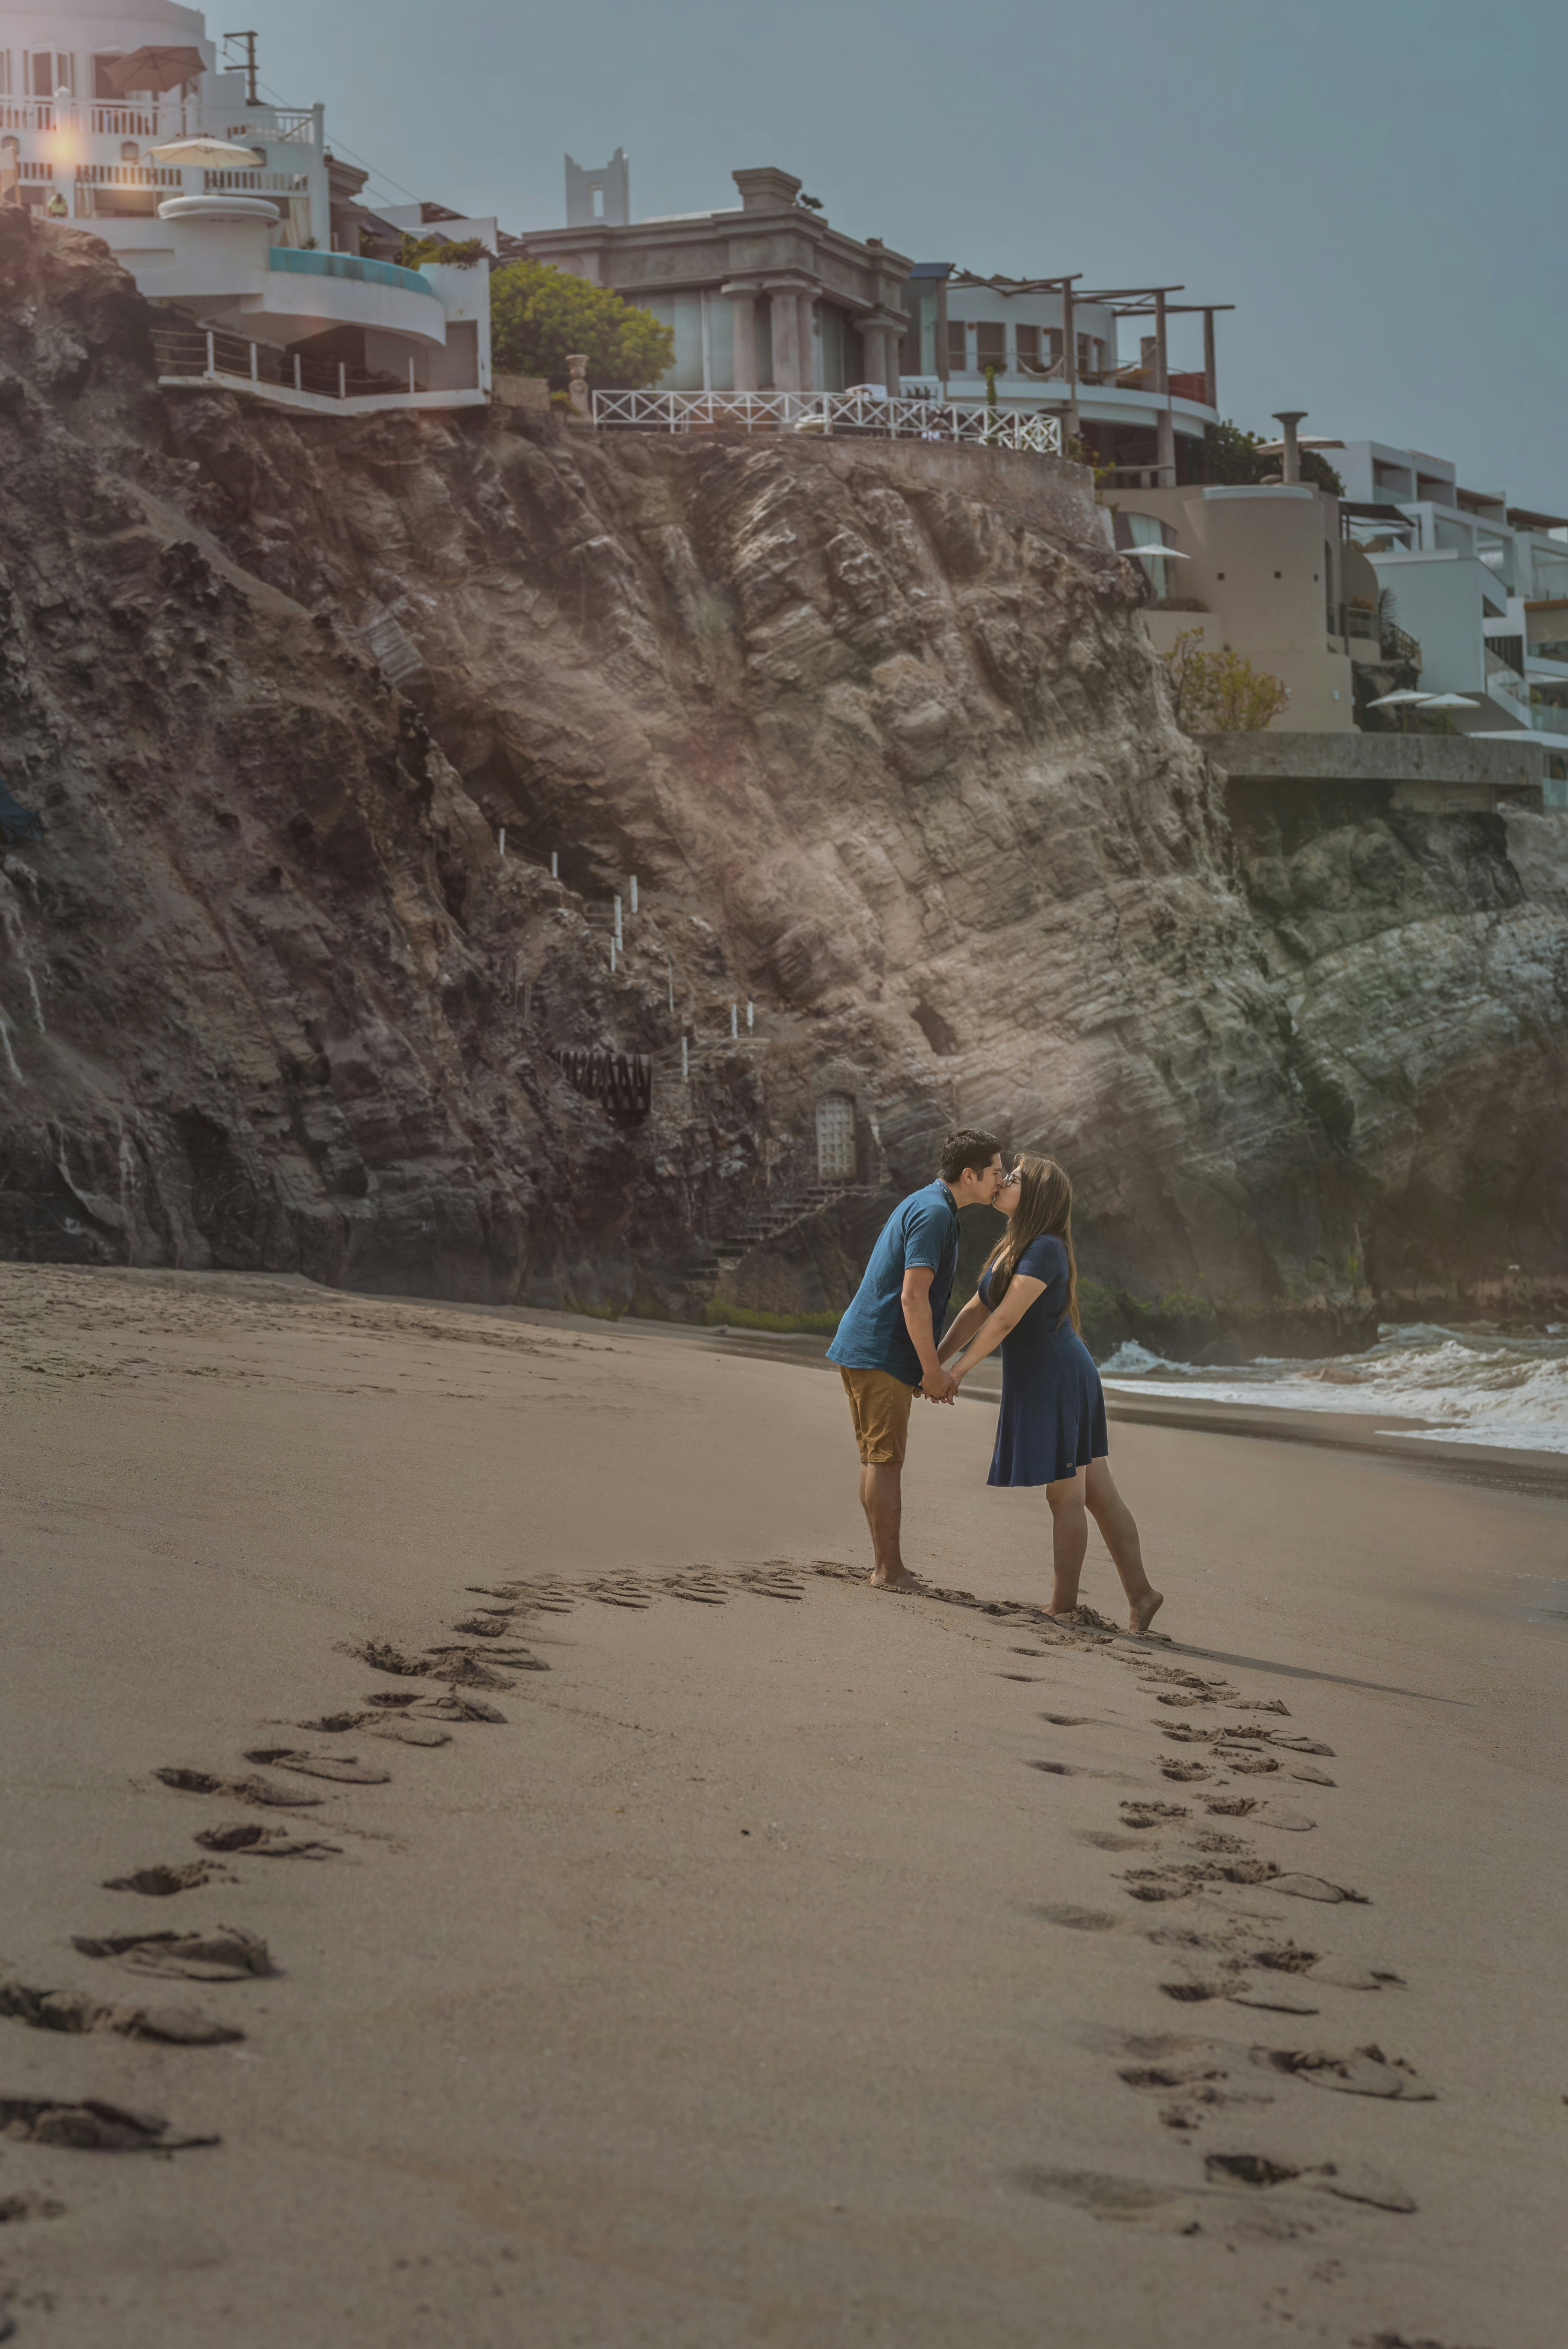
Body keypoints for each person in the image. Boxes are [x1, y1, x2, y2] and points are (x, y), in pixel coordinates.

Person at [942, 1155, 1164, 1634]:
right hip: (1051, 1373)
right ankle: (1141, 1594)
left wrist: (957, 1371)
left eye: (1014, 1178)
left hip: (1057, 1376)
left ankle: (1062, 1607)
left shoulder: (1043, 1248)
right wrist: (935, 1360)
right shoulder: (1015, 1245)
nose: (1002, 1180)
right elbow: (977, 1309)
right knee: (1098, 1493)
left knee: (1065, 1496)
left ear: (1037, 1195)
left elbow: (1004, 1320)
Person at [826, 1129, 1005, 1590]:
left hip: (866, 1346)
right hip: (880, 1349)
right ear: (970, 1175)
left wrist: (932, 1366)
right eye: (996, 1173)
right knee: (884, 1460)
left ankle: (885, 1564)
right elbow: (912, 1297)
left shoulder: (928, 1203)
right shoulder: (933, 1214)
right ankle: (888, 1570)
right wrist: (931, 1371)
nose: (1001, 1181)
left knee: (875, 1459)